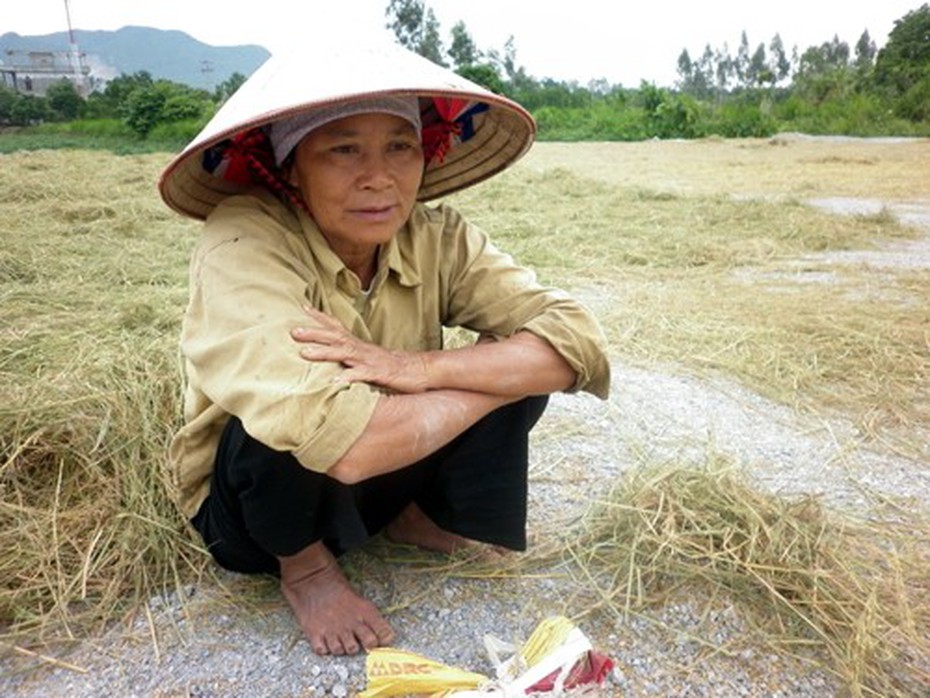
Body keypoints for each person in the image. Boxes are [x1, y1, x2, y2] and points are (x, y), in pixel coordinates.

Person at [158, 33, 610, 657]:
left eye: (400, 147)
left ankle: (411, 517)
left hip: (388, 460)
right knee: (278, 415)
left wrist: (420, 368)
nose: (378, 177)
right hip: (257, 514)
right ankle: (308, 570)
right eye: (343, 150)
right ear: (291, 168)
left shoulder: (435, 232)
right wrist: (483, 381)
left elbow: (574, 338)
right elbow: (342, 441)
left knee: (514, 351)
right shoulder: (245, 239)